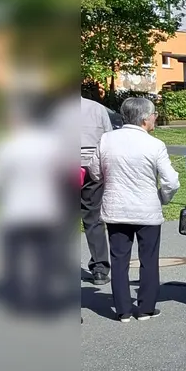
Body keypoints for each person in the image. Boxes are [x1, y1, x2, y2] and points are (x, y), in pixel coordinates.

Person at [95, 96, 178, 321]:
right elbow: (171, 181)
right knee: (149, 259)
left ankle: (122, 310)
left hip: (116, 208)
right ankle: (146, 308)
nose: (155, 118)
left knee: (119, 259)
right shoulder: (154, 144)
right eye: (153, 115)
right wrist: (163, 197)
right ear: (144, 119)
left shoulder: (106, 140)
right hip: (146, 209)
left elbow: (95, 172)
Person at [0, 98, 66, 313]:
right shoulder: (50, 144)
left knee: (14, 256)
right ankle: (42, 297)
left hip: (15, 210)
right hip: (45, 209)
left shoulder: (7, 146)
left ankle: (16, 299)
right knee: (43, 256)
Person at [68, 90, 114, 284]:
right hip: (92, 166)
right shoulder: (97, 108)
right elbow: (109, 138)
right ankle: (100, 268)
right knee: (93, 218)